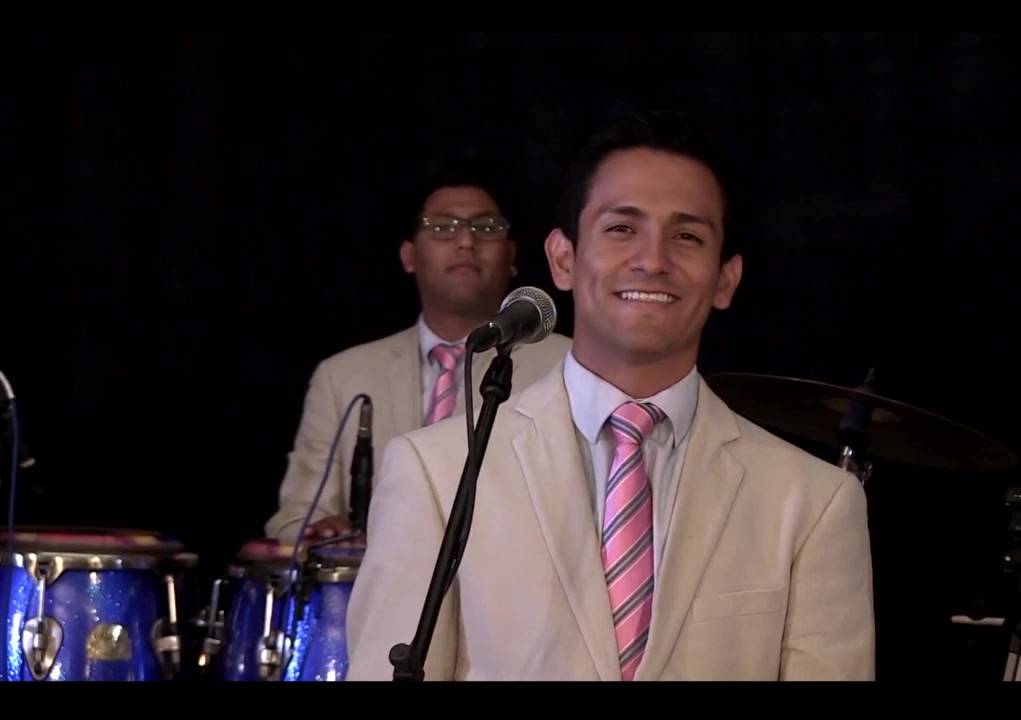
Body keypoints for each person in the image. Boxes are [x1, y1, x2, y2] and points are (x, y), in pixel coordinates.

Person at [343, 111, 876, 681]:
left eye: (687, 236)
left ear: (726, 279)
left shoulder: (813, 502)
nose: (653, 260)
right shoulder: (434, 472)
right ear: (563, 259)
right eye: (622, 228)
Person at [264, 170, 572, 543]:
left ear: (511, 255)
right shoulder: (341, 376)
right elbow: (296, 518)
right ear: (409, 256)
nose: (466, 241)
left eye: (486, 227)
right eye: (442, 227)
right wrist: (321, 532)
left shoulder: (567, 366)